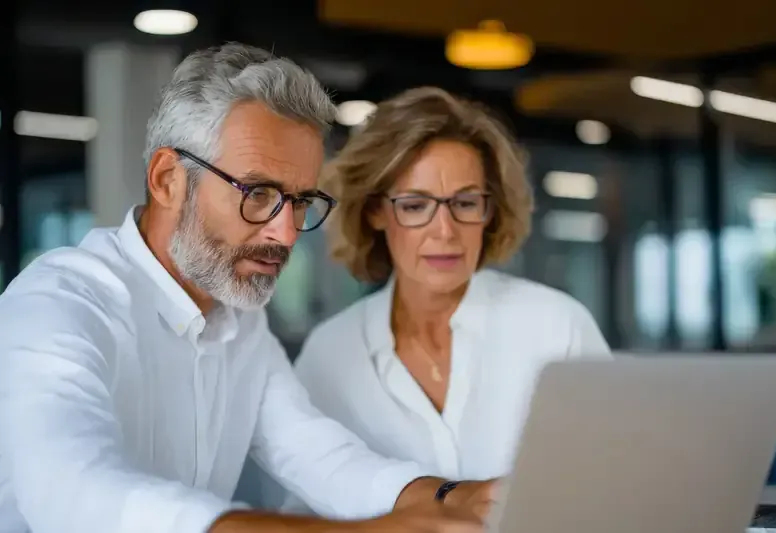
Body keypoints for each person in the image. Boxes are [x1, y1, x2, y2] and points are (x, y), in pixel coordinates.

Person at [0, 44, 493, 533]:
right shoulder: (56, 306)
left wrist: (458, 498)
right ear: (169, 179)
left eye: (300, 201)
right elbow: (76, 492)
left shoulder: (238, 321)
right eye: (258, 194)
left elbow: (320, 456)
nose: (286, 233)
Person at [284, 87, 611, 512]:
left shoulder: (557, 327)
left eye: (465, 202)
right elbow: (305, 514)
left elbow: (613, 482)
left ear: (490, 211)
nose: (445, 230)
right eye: (416, 205)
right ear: (375, 211)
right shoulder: (329, 354)